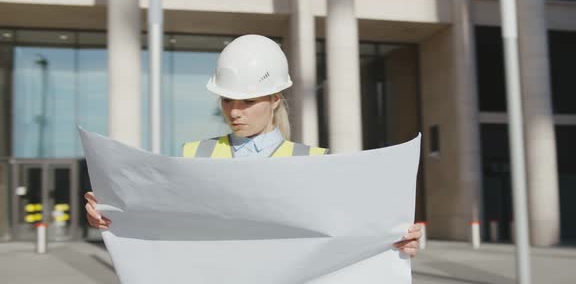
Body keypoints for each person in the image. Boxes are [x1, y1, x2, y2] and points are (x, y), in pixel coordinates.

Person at [84, 34, 422, 257]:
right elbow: (162, 223)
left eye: (247, 101)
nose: (234, 111)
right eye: (228, 100)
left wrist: (398, 241)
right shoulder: (192, 155)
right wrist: (112, 214)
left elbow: (350, 236)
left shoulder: (315, 162)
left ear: (275, 99)